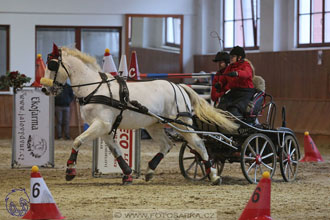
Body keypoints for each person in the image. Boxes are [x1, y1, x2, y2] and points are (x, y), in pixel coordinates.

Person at [214, 46, 256, 118]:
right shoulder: (230, 67)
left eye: (233, 57)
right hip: (234, 92)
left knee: (234, 109)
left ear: (239, 57)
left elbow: (246, 73)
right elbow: (223, 78)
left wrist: (237, 73)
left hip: (245, 93)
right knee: (222, 105)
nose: (230, 59)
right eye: (230, 57)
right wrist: (219, 84)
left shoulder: (246, 65)